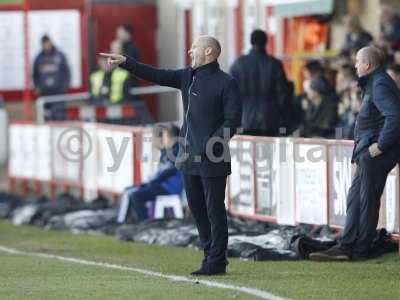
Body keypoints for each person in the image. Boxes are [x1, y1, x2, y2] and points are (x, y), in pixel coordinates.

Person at [100, 35, 242, 275]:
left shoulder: (227, 83)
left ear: (209, 52)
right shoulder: (187, 76)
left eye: (194, 47)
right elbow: (156, 74)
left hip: (213, 159)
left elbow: (233, 121)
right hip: (188, 158)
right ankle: (210, 256)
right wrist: (126, 62)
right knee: (196, 208)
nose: (189, 50)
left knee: (214, 209)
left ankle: (216, 260)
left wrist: (211, 145)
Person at [310, 46, 400, 261]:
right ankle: (347, 246)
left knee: (366, 199)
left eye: (358, 61)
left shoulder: (379, 84)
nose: (355, 65)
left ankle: (358, 249)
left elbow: (395, 117)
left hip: (376, 151)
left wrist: (380, 145)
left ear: (368, 65)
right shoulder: (375, 82)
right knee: (357, 198)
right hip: (368, 150)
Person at [117, 124, 183, 223]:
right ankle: (129, 220)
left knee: (135, 195)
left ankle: (145, 221)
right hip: (163, 186)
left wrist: (150, 183)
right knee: (131, 192)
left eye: (164, 136)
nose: (163, 139)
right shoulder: (169, 151)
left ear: (170, 137)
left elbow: (167, 173)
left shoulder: (176, 151)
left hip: (170, 188)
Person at [229, 29, 290, 136]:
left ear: (251, 42)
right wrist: (285, 120)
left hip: (244, 119)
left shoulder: (238, 64)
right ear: (266, 42)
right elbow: (283, 95)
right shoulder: (275, 64)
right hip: (269, 119)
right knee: (268, 152)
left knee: (247, 151)